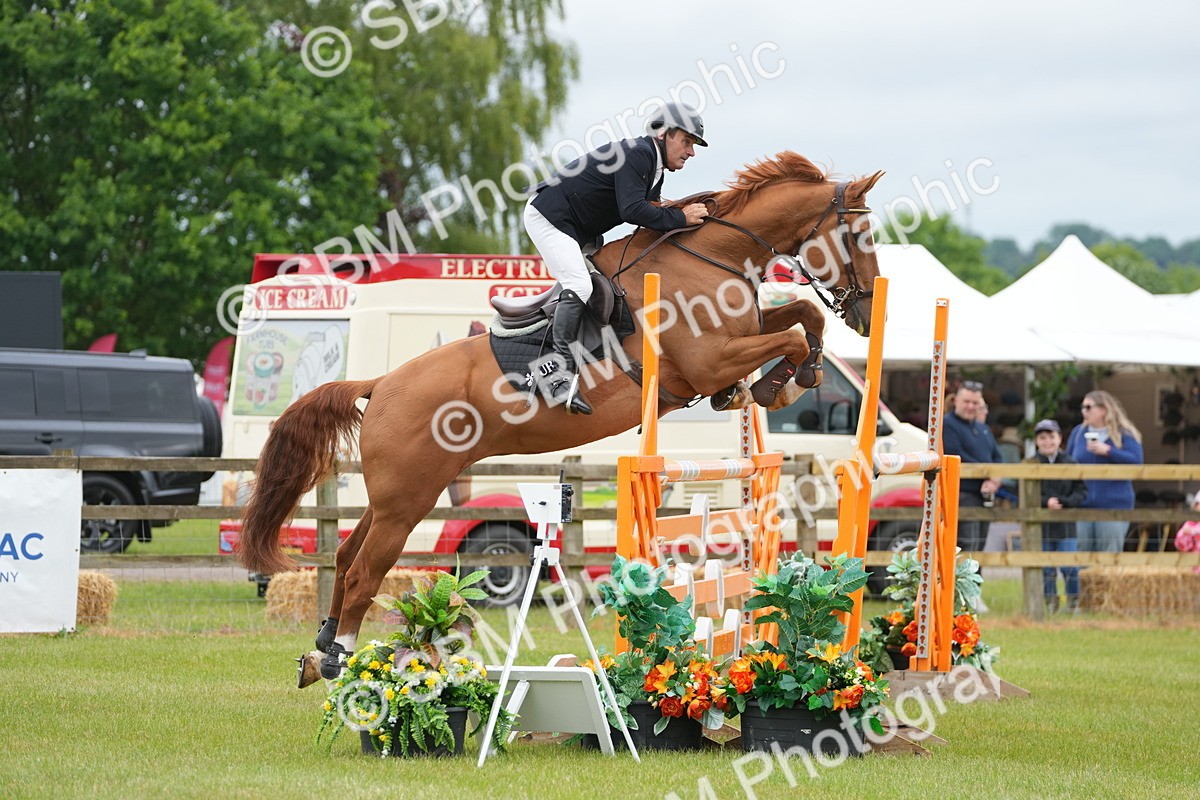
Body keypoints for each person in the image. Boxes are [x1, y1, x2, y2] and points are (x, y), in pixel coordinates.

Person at [523, 102, 711, 415]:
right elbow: (633, 210)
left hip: (579, 230)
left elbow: (651, 211)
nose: (691, 152)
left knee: (606, 284)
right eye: (687, 142)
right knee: (580, 287)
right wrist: (680, 218)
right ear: (663, 134)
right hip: (550, 218)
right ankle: (557, 376)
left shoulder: (654, 167)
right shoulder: (640, 153)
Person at [1065, 390, 1144, 553]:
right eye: (1082, 407)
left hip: (1113, 505)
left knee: (1109, 553)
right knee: (1081, 552)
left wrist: (1109, 451)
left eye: (1088, 407)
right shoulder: (1078, 433)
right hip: (1082, 504)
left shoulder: (1125, 433)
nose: (1083, 411)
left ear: (1104, 410)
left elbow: (1137, 462)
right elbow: (1067, 463)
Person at [1027, 419, 1087, 613]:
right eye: (1042, 437)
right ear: (1036, 441)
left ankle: (1073, 603)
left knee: (1070, 567)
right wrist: (1045, 502)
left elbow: (1081, 491)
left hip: (1065, 524)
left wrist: (1065, 502)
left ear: (1059, 438)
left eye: (1051, 436)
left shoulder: (1070, 463)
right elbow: (1025, 493)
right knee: (1046, 569)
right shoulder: (1031, 463)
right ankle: (1050, 603)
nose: (1047, 441)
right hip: (1041, 525)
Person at [941, 380, 1002, 551]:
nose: (970, 406)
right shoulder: (947, 424)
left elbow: (997, 457)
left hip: (984, 494)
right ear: (956, 401)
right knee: (968, 546)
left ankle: (977, 579)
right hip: (963, 495)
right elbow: (956, 455)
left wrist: (994, 481)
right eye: (966, 401)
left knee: (980, 547)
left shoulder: (983, 428)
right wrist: (988, 473)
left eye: (975, 403)